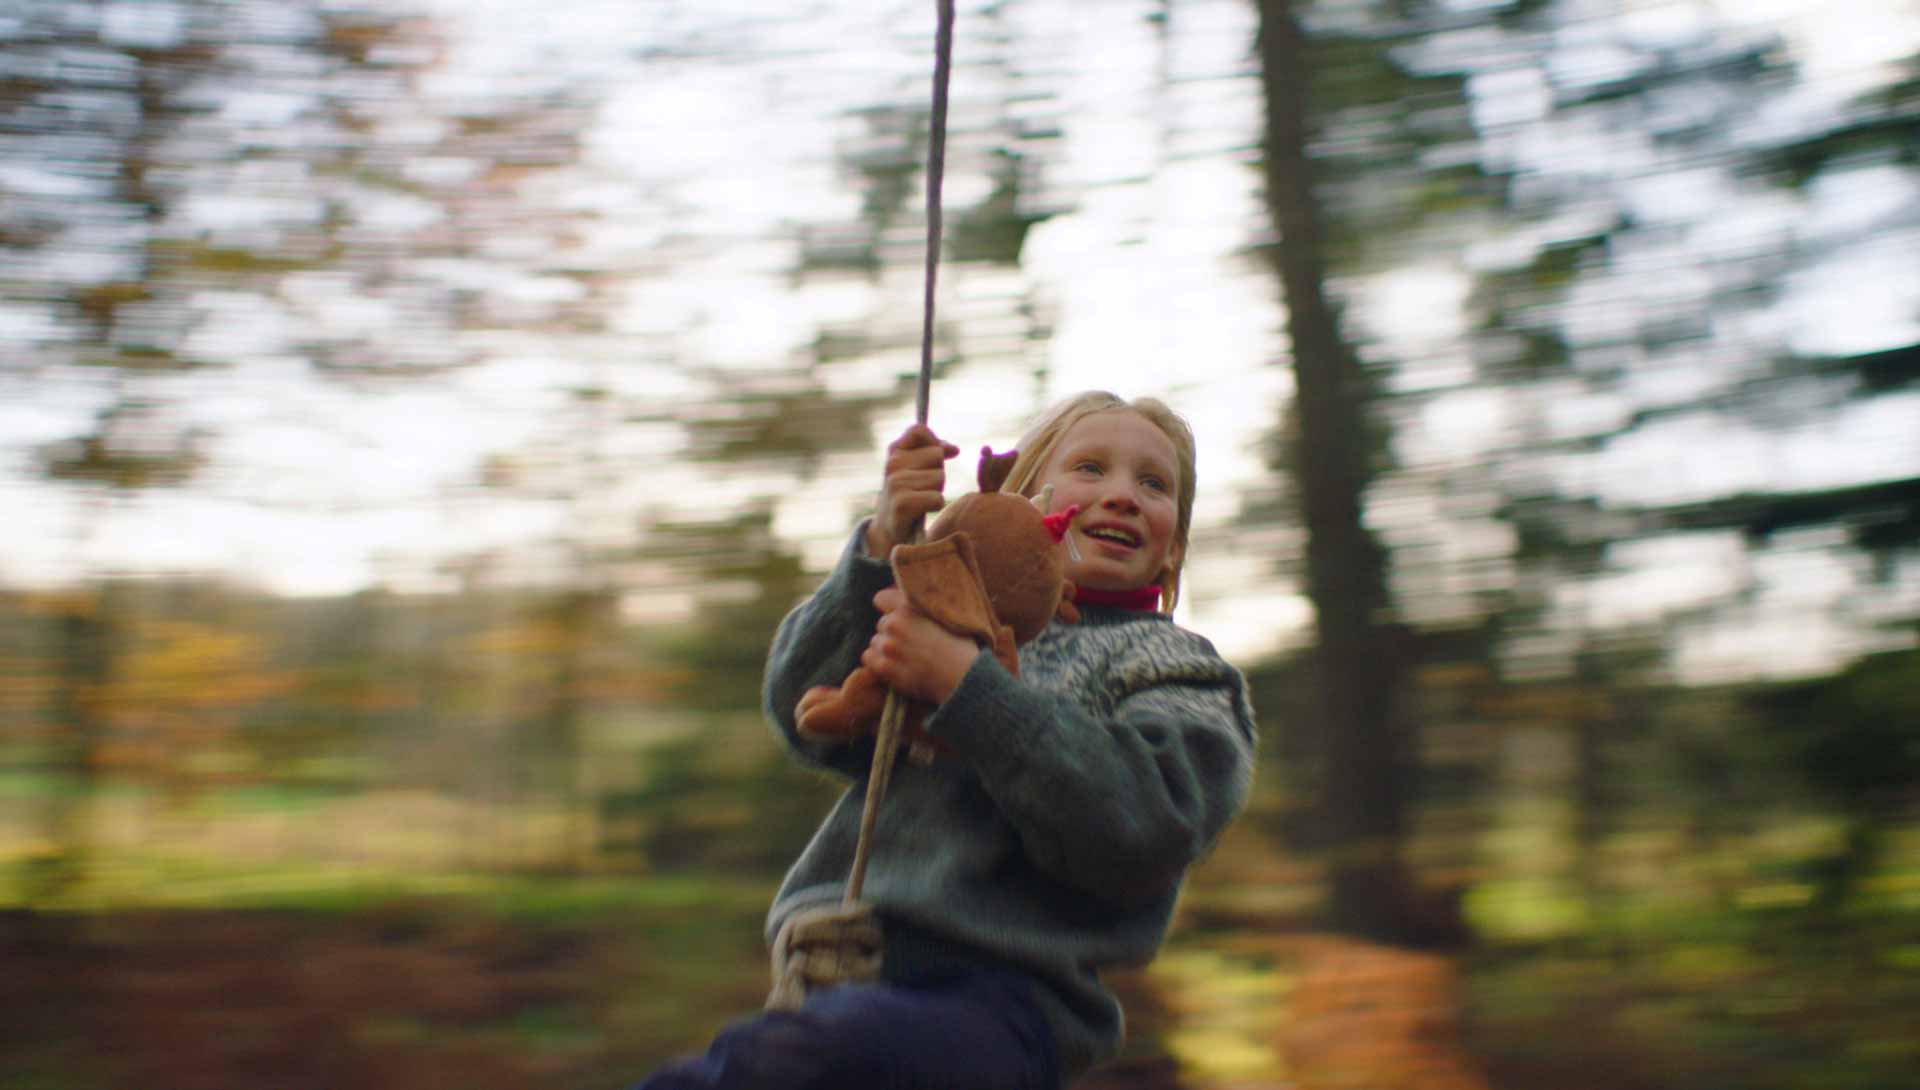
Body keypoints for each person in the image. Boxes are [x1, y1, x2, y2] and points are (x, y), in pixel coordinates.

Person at [634, 391, 1257, 1089]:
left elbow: (1148, 824)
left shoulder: (1179, 670)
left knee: (796, 1060)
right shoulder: (945, 615)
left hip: (1007, 1007)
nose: (1121, 496)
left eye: (1153, 484)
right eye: (1090, 468)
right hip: (846, 969)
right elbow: (801, 708)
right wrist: (884, 541)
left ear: (1173, 547)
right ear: (1022, 500)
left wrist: (969, 689)